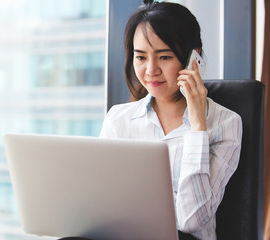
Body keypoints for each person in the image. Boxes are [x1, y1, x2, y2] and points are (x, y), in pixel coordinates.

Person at [99, 1, 242, 240]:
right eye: (141, 57)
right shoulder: (119, 119)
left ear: (193, 59)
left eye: (164, 57)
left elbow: (191, 221)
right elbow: (101, 199)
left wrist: (197, 126)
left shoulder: (226, 123)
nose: (151, 69)